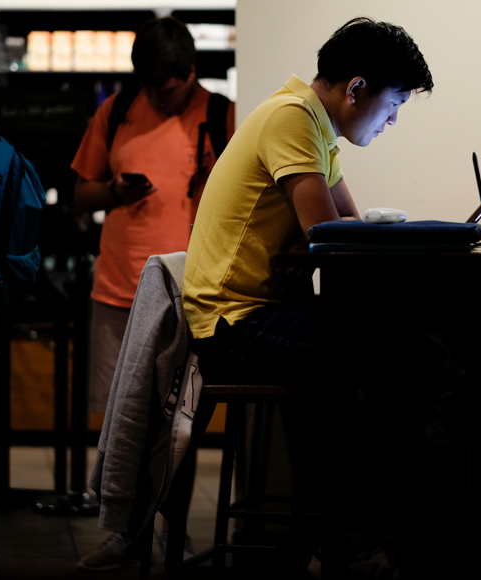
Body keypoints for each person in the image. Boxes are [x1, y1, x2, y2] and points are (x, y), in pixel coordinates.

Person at [182, 16, 443, 576]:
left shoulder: (315, 127)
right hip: (234, 321)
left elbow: (345, 226)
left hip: (262, 311)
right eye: (394, 102)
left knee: (408, 362)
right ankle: (372, 543)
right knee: (407, 364)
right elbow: (331, 242)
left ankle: (366, 540)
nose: (394, 118)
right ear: (356, 89)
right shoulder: (293, 118)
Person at [71, 15, 233, 571]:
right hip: (119, 289)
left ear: (191, 73)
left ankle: (177, 535)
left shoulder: (221, 114)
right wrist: (114, 191)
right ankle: (127, 536)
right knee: (126, 425)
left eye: (171, 90)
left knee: (178, 429)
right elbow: (79, 194)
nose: (161, 101)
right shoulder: (116, 110)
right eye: (151, 90)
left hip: (192, 298)